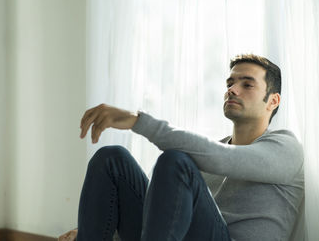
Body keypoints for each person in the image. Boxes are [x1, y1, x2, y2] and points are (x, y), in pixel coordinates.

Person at [59, 54, 304, 241]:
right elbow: (168, 217)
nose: (232, 89)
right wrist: (96, 227)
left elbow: (224, 159)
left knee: (176, 161)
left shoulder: (285, 147)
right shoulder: (211, 154)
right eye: (230, 82)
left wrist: (136, 120)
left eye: (247, 84)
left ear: (273, 100)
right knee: (112, 159)